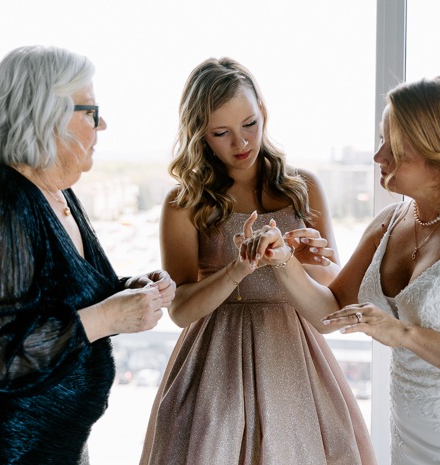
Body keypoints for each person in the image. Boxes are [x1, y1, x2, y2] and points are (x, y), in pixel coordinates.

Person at [243, 76, 440, 464]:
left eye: (395, 149)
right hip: (411, 441)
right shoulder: (389, 222)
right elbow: (330, 314)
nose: (378, 157)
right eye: (381, 140)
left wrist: (404, 333)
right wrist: (283, 262)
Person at [0, 45, 176, 465]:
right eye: (91, 111)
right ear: (48, 115)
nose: (102, 124)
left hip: (53, 447)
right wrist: (108, 317)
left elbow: (64, 298)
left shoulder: (58, 193)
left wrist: (132, 290)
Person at [139, 57, 376, 465]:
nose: (241, 143)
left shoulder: (303, 189)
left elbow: (330, 299)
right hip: (215, 366)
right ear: (201, 135)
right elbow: (180, 310)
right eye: (221, 133)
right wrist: (239, 268)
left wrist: (302, 261)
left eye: (249, 124)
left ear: (263, 112)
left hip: (296, 363)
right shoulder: (184, 203)